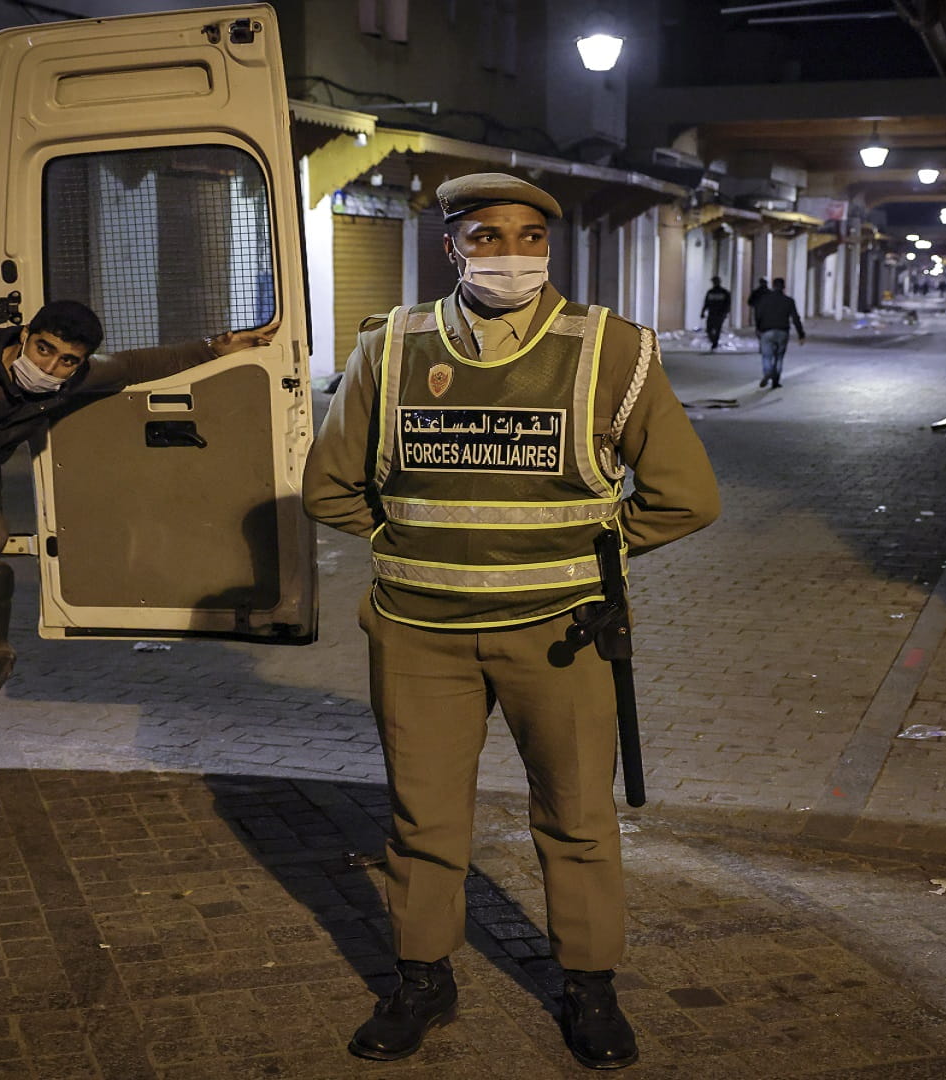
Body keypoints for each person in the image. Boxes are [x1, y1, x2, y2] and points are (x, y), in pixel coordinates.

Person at [303, 172, 719, 1071]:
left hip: (561, 633)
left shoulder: (611, 349)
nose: (511, 254)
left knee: (577, 817)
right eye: (487, 236)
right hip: (418, 631)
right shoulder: (390, 346)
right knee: (422, 819)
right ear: (450, 247)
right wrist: (415, 540)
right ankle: (424, 980)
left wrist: (591, 550)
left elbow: (688, 497)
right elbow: (328, 488)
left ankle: (590, 987)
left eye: (531, 237)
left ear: (549, 247)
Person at [0, 299, 271, 586]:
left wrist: (213, 349)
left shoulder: (70, 380)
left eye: (68, 360)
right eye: (44, 349)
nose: (49, 368)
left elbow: (132, 366)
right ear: (25, 334)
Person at [752, 277, 806, 388]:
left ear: (773, 286)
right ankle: (775, 381)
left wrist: (758, 328)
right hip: (782, 332)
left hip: (767, 331)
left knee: (767, 356)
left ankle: (768, 372)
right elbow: (796, 318)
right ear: (783, 287)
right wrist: (801, 334)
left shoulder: (764, 299)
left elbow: (758, 314)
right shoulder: (789, 301)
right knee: (779, 357)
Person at [700, 275, 731, 350]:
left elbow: (728, 303)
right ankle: (713, 340)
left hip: (720, 313)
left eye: (716, 281)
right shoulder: (710, 292)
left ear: (719, 282)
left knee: (717, 328)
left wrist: (726, 312)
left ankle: (715, 342)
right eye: (714, 282)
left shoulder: (725, 292)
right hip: (712, 313)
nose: (714, 283)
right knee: (709, 328)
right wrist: (703, 312)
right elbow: (706, 303)